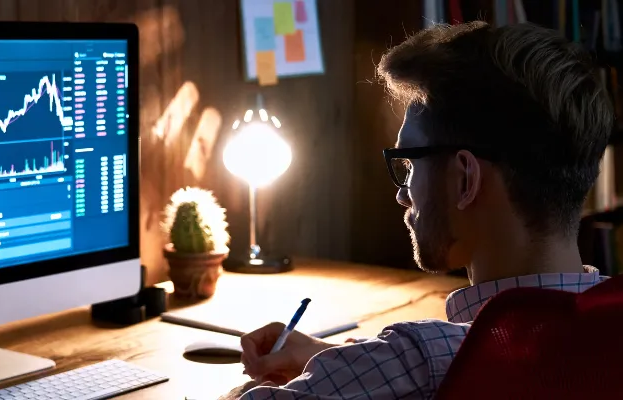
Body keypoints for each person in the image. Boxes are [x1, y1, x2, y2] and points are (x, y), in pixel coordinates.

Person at [224, 21, 614, 400]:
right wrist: (339, 361)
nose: (402, 196)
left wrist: (255, 389)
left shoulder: (418, 360)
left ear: (465, 180)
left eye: (409, 165)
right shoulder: (608, 329)